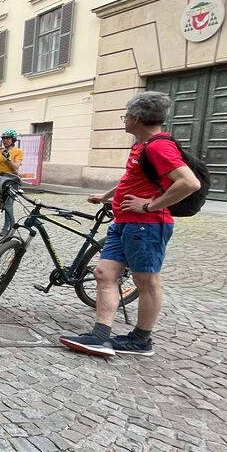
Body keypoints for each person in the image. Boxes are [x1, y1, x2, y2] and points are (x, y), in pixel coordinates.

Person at [59, 92, 201, 358]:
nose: (124, 121)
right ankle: (100, 336)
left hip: (146, 225)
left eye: (125, 116)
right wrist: (106, 196)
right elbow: (132, 178)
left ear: (136, 118)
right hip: (124, 223)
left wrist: (149, 206)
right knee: (104, 273)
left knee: (146, 281)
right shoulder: (141, 146)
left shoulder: (159, 147)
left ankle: (141, 340)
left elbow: (189, 183)